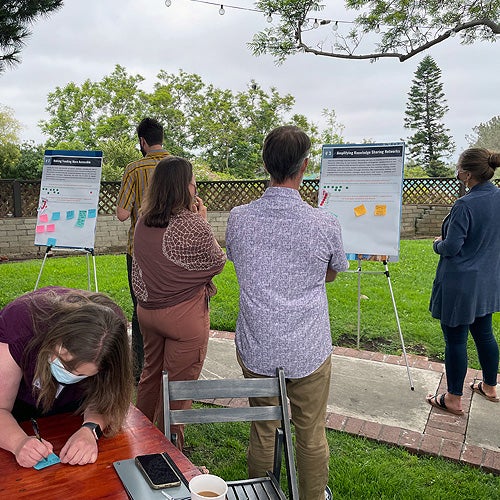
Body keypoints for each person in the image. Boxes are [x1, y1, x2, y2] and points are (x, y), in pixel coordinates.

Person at [225, 125, 349, 500]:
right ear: (305, 166)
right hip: (308, 346)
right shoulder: (323, 222)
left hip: (259, 342)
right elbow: (332, 272)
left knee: (263, 427)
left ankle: (260, 494)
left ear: (266, 164)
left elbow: (237, 259)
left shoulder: (239, 218)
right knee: (310, 430)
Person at [132, 156, 226, 449]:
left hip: (147, 312)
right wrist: (203, 222)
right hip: (183, 318)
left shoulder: (143, 221)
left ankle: (135, 440)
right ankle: (168, 453)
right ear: (184, 187)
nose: (195, 188)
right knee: (176, 391)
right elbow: (216, 262)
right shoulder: (190, 225)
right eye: (193, 182)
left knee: (149, 377)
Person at [0, 286, 133, 468]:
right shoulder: (20, 324)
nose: (65, 372)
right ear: (56, 335)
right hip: (14, 415)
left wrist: (90, 429)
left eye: (79, 374)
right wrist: (18, 443)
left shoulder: (111, 335)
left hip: (70, 417)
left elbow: (108, 397)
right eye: (61, 358)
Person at [427, 148, 500, 415]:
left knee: (455, 340)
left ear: (467, 174)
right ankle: (490, 387)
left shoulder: (465, 205)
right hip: (487, 282)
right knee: (484, 334)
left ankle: (453, 399)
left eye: (458, 168)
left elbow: (452, 247)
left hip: (460, 284)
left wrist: (437, 244)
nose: (456, 173)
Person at [116, 117, 170, 382]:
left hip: (139, 251)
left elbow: (123, 214)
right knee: (171, 305)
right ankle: (167, 369)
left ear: (142, 141)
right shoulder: (180, 167)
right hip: (173, 251)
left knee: (141, 309)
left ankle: (139, 369)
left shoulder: (134, 169)